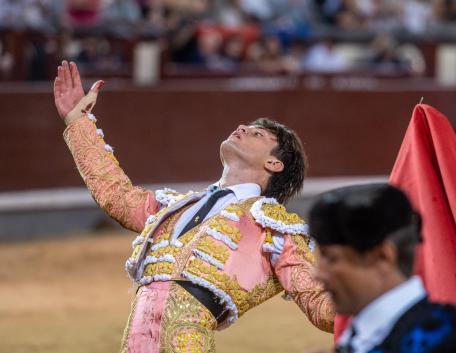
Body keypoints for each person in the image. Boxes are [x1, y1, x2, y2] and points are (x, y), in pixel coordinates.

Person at [53, 60, 334, 352]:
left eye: (257, 134)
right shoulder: (172, 207)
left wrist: (378, 298)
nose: (241, 128)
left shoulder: (275, 230)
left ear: (274, 163)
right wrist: (77, 122)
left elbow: (321, 306)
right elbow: (115, 194)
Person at [309, 183, 456, 353]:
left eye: (331, 259)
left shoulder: (450, 343)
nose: (318, 274)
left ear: (383, 257)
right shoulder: (362, 337)